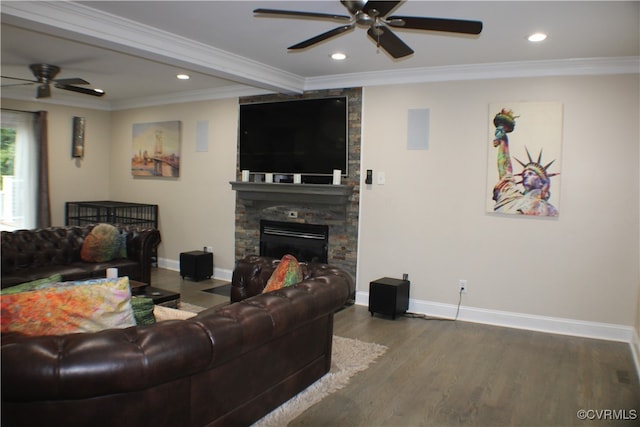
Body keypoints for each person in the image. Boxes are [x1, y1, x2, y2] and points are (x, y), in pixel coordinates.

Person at [491, 108, 559, 216]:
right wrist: (504, 140)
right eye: (524, 174)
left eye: (531, 173)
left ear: (542, 182)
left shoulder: (548, 209)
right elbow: (505, 172)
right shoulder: (511, 196)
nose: (525, 176)